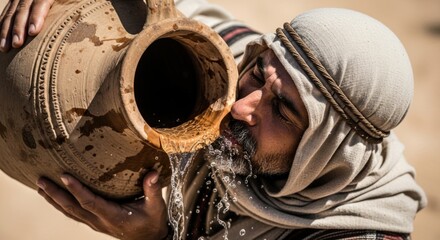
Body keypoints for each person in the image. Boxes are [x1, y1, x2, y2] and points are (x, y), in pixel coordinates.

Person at [1, 0, 427, 239]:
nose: (241, 107)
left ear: (326, 152)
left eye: (281, 110)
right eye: (258, 72)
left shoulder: (353, 236)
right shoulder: (227, 74)